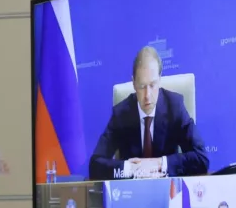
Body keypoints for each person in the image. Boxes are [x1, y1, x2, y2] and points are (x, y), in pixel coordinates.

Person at [89, 46, 208, 181]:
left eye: (152, 85)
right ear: (133, 83)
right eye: (142, 86)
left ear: (160, 79)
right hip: (131, 194)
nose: (147, 95)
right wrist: (130, 168)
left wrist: (158, 163)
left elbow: (201, 158)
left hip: (168, 191)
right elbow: (95, 165)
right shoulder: (121, 114)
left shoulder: (175, 107)